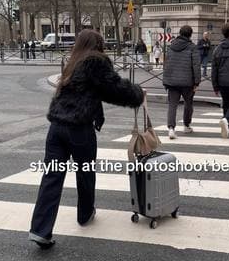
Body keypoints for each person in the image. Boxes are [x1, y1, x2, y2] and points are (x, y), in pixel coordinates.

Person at [29, 29, 144, 249]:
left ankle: (40, 230)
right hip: (79, 129)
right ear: (98, 43)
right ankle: (85, 214)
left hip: (56, 128)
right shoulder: (96, 61)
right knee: (85, 173)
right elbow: (114, 89)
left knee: (51, 178)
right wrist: (137, 94)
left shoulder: (73, 61)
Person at [163, 25, 201, 139]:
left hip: (172, 81)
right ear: (190, 34)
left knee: (172, 105)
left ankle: (171, 128)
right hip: (187, 82)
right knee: (188, 103)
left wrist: (166, 81)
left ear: (180, 33)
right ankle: (186, 125)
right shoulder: (192, 47)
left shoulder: (171, 46)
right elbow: (196, 65)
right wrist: (197, 82)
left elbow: (167, 64)